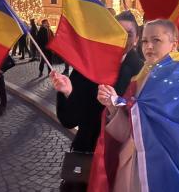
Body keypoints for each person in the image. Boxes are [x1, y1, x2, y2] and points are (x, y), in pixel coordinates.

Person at [89, 19, 179, 191]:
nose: (148, 46)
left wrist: (120, 101)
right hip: (131, 165)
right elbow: (131, 127)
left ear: (173, 44)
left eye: (156, 40)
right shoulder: (141, 76)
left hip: (167, 168)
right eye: (145, 41)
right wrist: (112, 106)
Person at [51, 11, 143, 191]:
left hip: (122, 157)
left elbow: (143, 117)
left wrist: (115, 103)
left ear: (137, 39)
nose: (122, 38)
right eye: (116, 31)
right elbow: (69, 120)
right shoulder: (88, 66)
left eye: (128, 34)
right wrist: (68, 92)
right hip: (87, 153)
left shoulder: (142, 72)